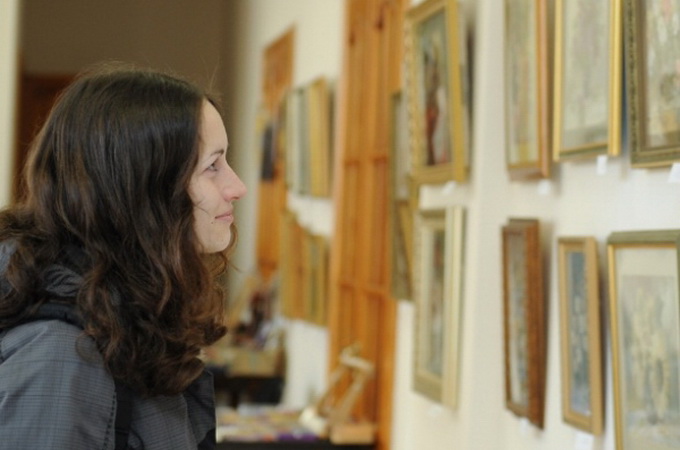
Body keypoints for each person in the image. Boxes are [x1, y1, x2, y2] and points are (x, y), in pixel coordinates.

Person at [0, 64, 247, 449]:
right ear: (141, 186)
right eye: (212, 166)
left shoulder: (126, 319)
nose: (237, 186)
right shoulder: (62, 356)